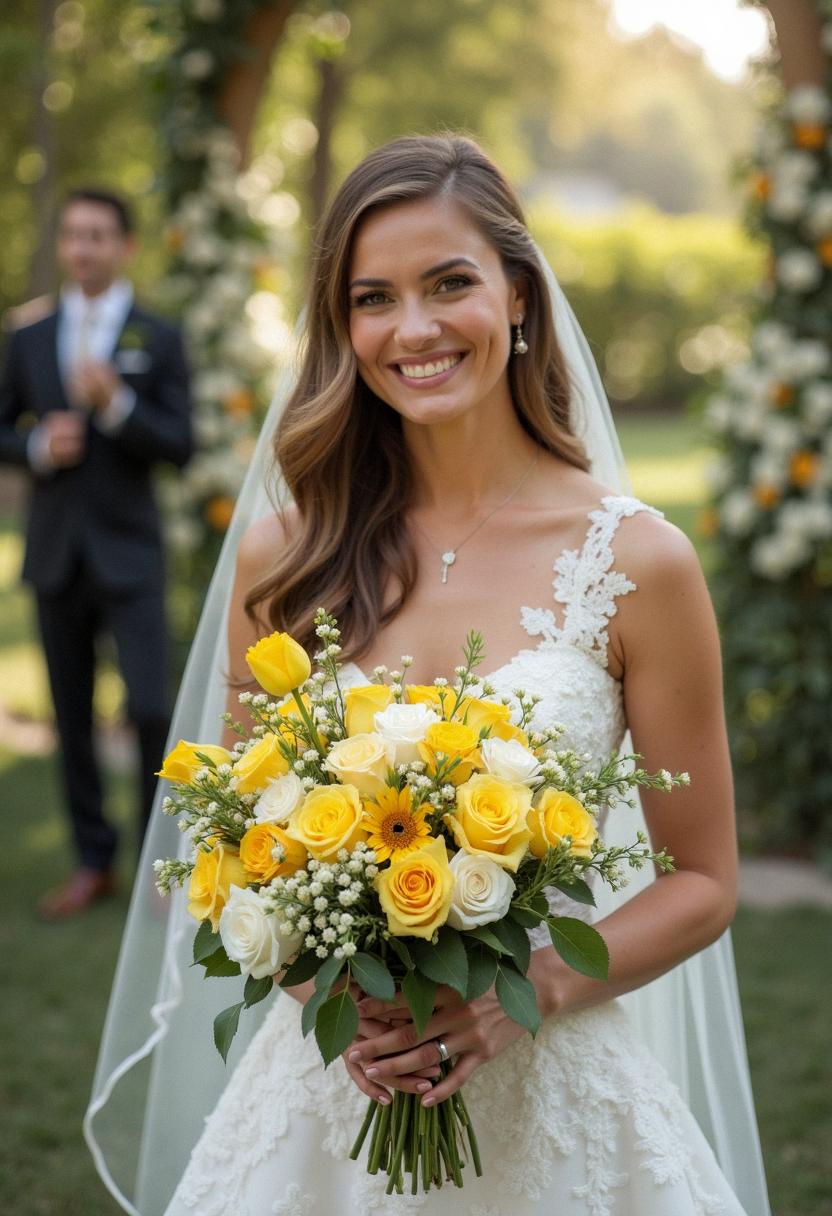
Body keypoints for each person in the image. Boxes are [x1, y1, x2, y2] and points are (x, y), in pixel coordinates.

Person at [85, 137, 770, 1215]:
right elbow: (229, 850)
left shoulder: (637, 561)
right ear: (341, 325)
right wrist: (327, 991)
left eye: (449, 283)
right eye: (373, 298)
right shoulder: (284, 556)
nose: (413, 329)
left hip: (554, 1096)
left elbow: (705, 880)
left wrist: (524, 989)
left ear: (519, 297)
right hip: (322, 1101)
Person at [0, 188, 193, 918]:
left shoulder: (158, 337)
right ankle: (92, 861)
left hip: (130, 554)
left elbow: (181, 442)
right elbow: (1, 427)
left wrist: (118, 406)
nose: (84, 247)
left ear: (125, 247)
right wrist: (36, 446)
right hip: (54, 555)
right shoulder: (28, 334)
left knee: (149, 707)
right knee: (71, 720)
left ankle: (156, 862)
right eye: (74, 234)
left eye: (99, 235)